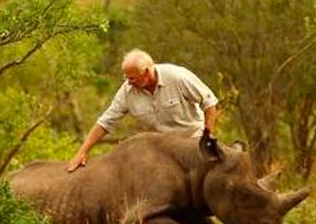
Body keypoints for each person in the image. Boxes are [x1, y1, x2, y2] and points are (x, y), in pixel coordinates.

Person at [67, 49, 219, 172]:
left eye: (133, 78)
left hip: (193, 141)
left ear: (147, 72)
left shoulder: (178, 77)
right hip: (163, 151)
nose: (129, 83)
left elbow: (210, 103)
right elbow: (106, 122)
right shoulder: (127, 91)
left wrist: (207, 136)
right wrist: (83, 151)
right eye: (126, 78)